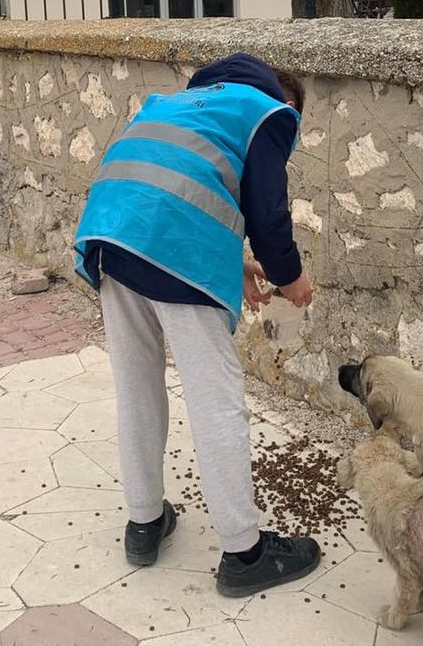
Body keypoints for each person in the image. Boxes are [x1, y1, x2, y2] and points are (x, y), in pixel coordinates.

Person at [74, 52, 319, 597]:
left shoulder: (174, 103)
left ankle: (143, 522)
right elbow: (268, 214)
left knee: (136, 386)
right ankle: (243, 552)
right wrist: (290, 275)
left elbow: (180, 185)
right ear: (285, 102)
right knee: (216, 398)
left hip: (113, 237)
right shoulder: (268, 112)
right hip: (173, 248)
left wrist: (235, 264)